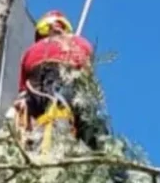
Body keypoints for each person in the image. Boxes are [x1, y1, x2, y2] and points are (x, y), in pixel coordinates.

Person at [14, 10, 104, 149]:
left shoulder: (30, 51)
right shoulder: (79, 43)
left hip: (39, 90)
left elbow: (23, 89)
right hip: (64, 85)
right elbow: (87, 69)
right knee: (89, 125)